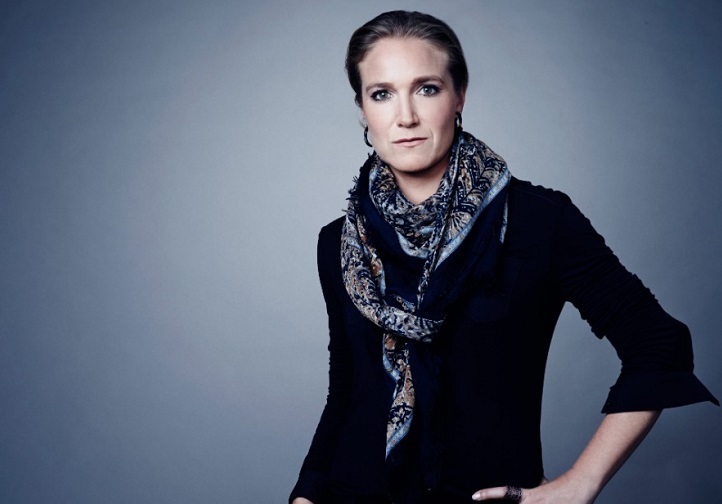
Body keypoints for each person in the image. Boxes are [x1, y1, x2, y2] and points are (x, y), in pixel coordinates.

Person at [290, 10, 718, 504]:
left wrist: (581, 483)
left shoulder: (540, 222)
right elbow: (346, 390)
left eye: (426, 88)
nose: (405, 116)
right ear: (363, 109)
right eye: (381, 93)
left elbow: (659, 344)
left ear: (459, 96)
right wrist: (306, 493)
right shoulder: (341, 242)